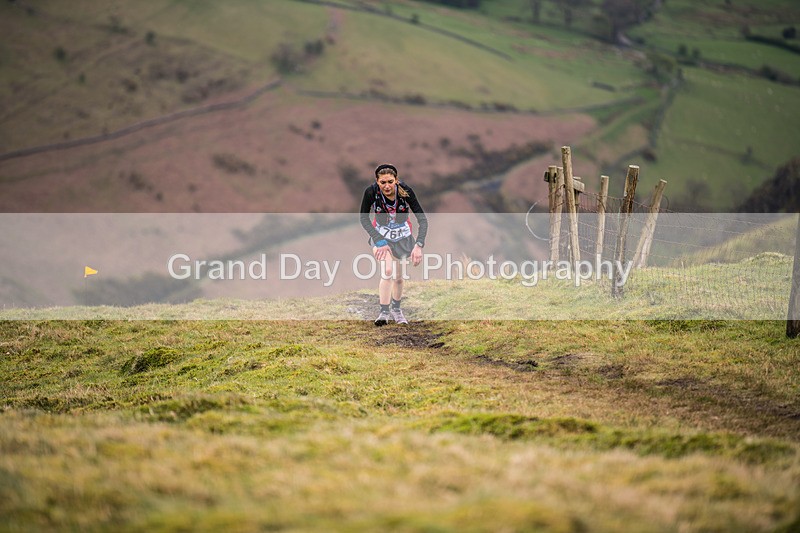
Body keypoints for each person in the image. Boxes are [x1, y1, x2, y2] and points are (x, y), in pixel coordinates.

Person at [359, 164, 428, 326]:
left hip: (403, 237)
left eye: (390, 181)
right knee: (388, 270)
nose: (387, 186)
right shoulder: (371, 192)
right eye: (382, 182)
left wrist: (419, 245)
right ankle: (383, 313)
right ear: (377, 181)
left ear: (396, 180)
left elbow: (422, 219)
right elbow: (364, 218)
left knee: (398, 277)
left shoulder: (406, 192)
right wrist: (379, 240)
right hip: (381, 236)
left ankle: (396, 310)